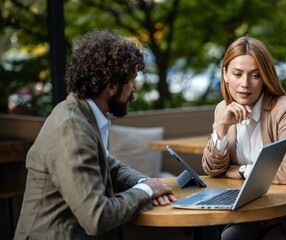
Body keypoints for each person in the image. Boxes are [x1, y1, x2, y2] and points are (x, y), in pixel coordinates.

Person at [14, 30, 177, 240]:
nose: (134, 87)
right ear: (110, 86)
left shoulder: (83, 114)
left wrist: (149, 183)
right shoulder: (71, 128)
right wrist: (145, 191)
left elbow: (110, 165)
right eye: (131, 79)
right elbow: (97, 218)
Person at [202, 36, 286, 240]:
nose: (245, 84)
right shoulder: (223, 109)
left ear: (265, 77)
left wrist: (239, 170)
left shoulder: (285, 108)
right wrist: (221, 127)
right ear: (225, 74)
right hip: (252, 213)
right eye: (237, 74)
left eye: (255, 75)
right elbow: (212, 170)